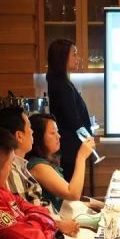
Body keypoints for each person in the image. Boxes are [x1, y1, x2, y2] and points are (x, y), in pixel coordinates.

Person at [0, 105, 81, 237]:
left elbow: (33, 209)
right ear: (19, 136)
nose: (32, 132)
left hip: (52, 225)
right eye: (29, 127)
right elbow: (23, 219)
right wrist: (81, 157)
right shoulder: (14, 170)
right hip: (47, 235)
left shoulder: (22, 166)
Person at [26, 112, 100, 214]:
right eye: (53, 133)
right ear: (38, 137)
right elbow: (73, 194)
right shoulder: (37, 165)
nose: (59, 136)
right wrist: (81, 157)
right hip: (56, 220)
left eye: (57, 131)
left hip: (65, 213)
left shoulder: (47, 161)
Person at [45, 38, 93, 183]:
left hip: (69, 147)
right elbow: (73, 120)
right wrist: (88, 139)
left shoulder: (60, 82)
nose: (78, 58)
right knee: (72, 186)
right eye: (74, 54)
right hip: (70, 148)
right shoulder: (62, 85)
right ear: (62, 57)